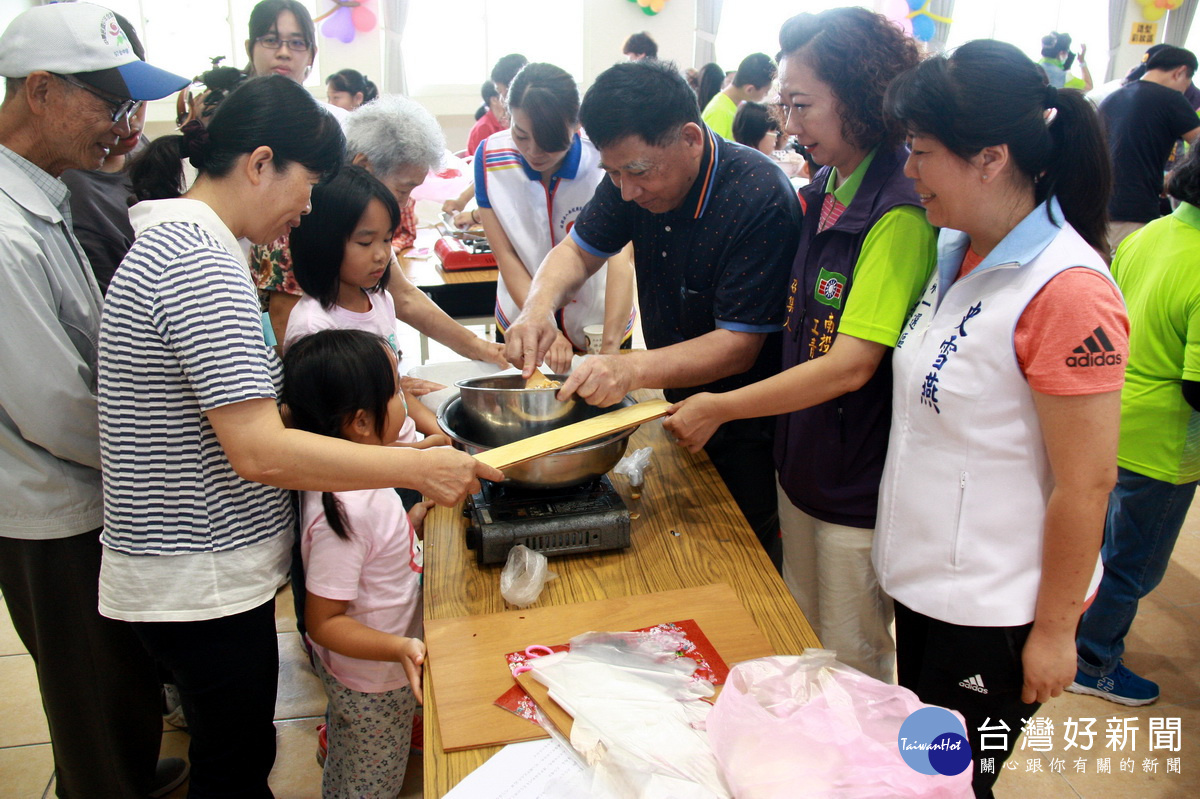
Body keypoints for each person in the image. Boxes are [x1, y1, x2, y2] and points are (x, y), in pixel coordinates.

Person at [96, 75, 502, 797]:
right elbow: (257, 447)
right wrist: (409, 470)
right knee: (234, 763)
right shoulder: (196, 260)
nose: (309, 206)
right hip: (197, 573)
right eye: (309, 184)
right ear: (259, 163)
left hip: (195, 569)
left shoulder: (198, 247)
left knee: (236, 748)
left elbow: (253, 413)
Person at [874, 40, 1128, 795]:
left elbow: (1088, 483)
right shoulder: (958, 246)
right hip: (926, 583)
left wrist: (1053, 632)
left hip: (994, 605)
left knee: (953, 780)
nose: (909, 169)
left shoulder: (1069, 289)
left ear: (990, 156)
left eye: (919, 152)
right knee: (922, 762)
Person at [665, 8, 933, 683]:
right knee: (804, 632)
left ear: (864, 98)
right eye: (784, 103)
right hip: (804, 460)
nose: (789, 123)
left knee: (853, 659)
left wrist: (722, 406)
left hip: (853, 483)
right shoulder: (826, 191)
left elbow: (850, 365)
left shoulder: (897, 211)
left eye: (803, 104)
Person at [0, 4, 191, 797]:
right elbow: (54, 404)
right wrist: (168, 455)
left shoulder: (45, 193)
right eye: (109, 104)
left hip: (84, 488)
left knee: (117, 678)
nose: (124, 127)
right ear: (41, 91)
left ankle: (126, 769)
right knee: (91, 691)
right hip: (53, 506)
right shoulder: (6, 234)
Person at [502, 59, 800, 564]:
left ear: (689, 138)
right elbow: (578, 251)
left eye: (637, 172)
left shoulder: (758, 195)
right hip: (679, 407)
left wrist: (628, 366)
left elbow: (738, 347)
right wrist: (536, 309)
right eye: (612, 173)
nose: (626, 191)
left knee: (742, 564)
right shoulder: (631, 179)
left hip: (748, 423)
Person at [1068, 144, 1200, 707]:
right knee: (1134, 564)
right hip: (1167, 442)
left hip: (1112, 414)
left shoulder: (1149, 233)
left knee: (1097, 547)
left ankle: (1071, 628)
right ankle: (1094, 660)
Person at [283, 329, 433, 798]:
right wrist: (399, 649)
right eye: (394, 391)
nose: (402, 400)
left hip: (380, 666)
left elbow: (374, 555)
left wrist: (412, 520)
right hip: (374, 678)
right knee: (369, 783)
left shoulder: (361, 470)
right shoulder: (344, 510)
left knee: (360, 751)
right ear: (362, 422)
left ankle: (345, 745)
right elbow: (323, 622)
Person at [251, 94, 507, 366]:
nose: (406, 202)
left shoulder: (364, 220)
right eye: (402, 189)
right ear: (363, 166)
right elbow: (285, 328)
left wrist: (480, 347)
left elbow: (404, 296)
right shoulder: (306, 216)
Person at [475, 62, 636, 370]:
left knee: (604, 411)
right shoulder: (489, 159)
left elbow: (620, 259)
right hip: (522, 312)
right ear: (508, 115)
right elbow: (506, 256)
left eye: (550, 143)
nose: (534, 152)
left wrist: (612, 348)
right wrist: (539, 318)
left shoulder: (601, 159)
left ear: (576, 126)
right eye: (521, 136)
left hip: (600, 320)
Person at [286, 164, 441, 434]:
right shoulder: (314, 328)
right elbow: (332, 438)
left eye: (387, 239)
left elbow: (397, 395)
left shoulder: (381, 299)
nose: (382, 254)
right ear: (323, 242)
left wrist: (441, 435)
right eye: (365, 243)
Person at [61, 12, 150, 295]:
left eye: (137, 103)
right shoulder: (76, 194)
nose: (129, 123)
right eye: (116, 105)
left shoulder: (139, 146)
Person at [1099, 45, 1200, 251]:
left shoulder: (1112, 97)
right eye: (1188, 81)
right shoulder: (1171, 99)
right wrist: (1176, 177)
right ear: (1180, 72)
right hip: (1134, 211)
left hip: (1097, 209)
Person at [701, 52, 776, 140]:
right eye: (765, 91)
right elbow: (712, 152)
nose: (766, 95)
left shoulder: (732, 106)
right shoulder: (719, 112)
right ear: (749, 89)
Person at [466, 79, 506, 156]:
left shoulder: (504, 122)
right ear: (494, 100)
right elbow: (483, 160)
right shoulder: (483, 127)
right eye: (503, 94)